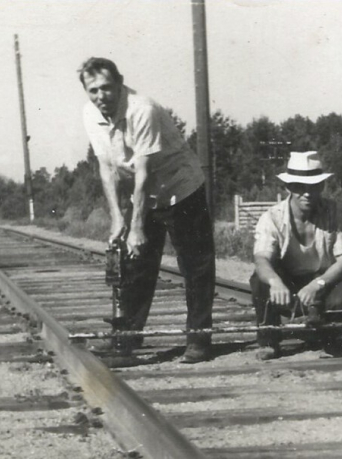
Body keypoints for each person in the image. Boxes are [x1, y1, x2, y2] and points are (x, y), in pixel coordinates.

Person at [79, 57, 215, 363]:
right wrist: (117, 219)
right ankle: (127, 336)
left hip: (181, 188)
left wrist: (137, 227)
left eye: (106, 87)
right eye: (93, 90)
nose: (101, 96)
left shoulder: (142, 109)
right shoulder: (90, 114)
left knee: (195, 266)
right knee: (135, 264)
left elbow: (144, 171)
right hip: (144, 193)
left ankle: (199, 340)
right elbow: (106, 168)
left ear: (120, 83)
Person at [250, 151, 342, 360]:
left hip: (323, 280)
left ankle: (328, 337)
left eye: (314, 187)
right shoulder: (272, 217)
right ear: (288, 187)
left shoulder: (333, 211)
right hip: (288, 281)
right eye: (300, 187)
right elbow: (261, 259)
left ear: (322, 186)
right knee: (260, 281)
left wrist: (317, 284)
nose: (307, 193)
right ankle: (268, 341)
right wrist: (275, 281)